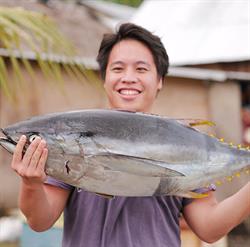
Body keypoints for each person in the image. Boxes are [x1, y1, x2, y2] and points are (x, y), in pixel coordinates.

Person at [11, 23, 250, 247]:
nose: (128, 77)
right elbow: (40, 222)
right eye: (117, 68)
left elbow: (209, 227)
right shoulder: (73, 137)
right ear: (104, 79)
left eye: (141, 68)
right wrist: (31, 184)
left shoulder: (185, 140)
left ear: (159, 81)